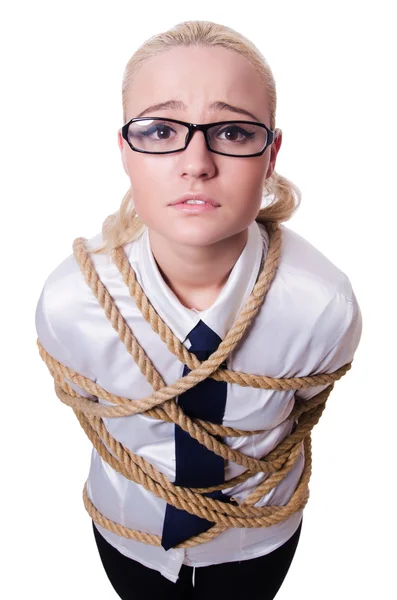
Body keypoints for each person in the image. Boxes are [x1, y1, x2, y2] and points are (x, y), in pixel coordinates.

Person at [35, 19, 363, 600]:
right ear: (125, 150)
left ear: (271, 154)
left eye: (233, 133)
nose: (196, 162)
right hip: (129, 536)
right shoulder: (73, 303)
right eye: (161, 130)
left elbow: (305, 405)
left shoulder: (321, 307)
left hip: (256, 545)